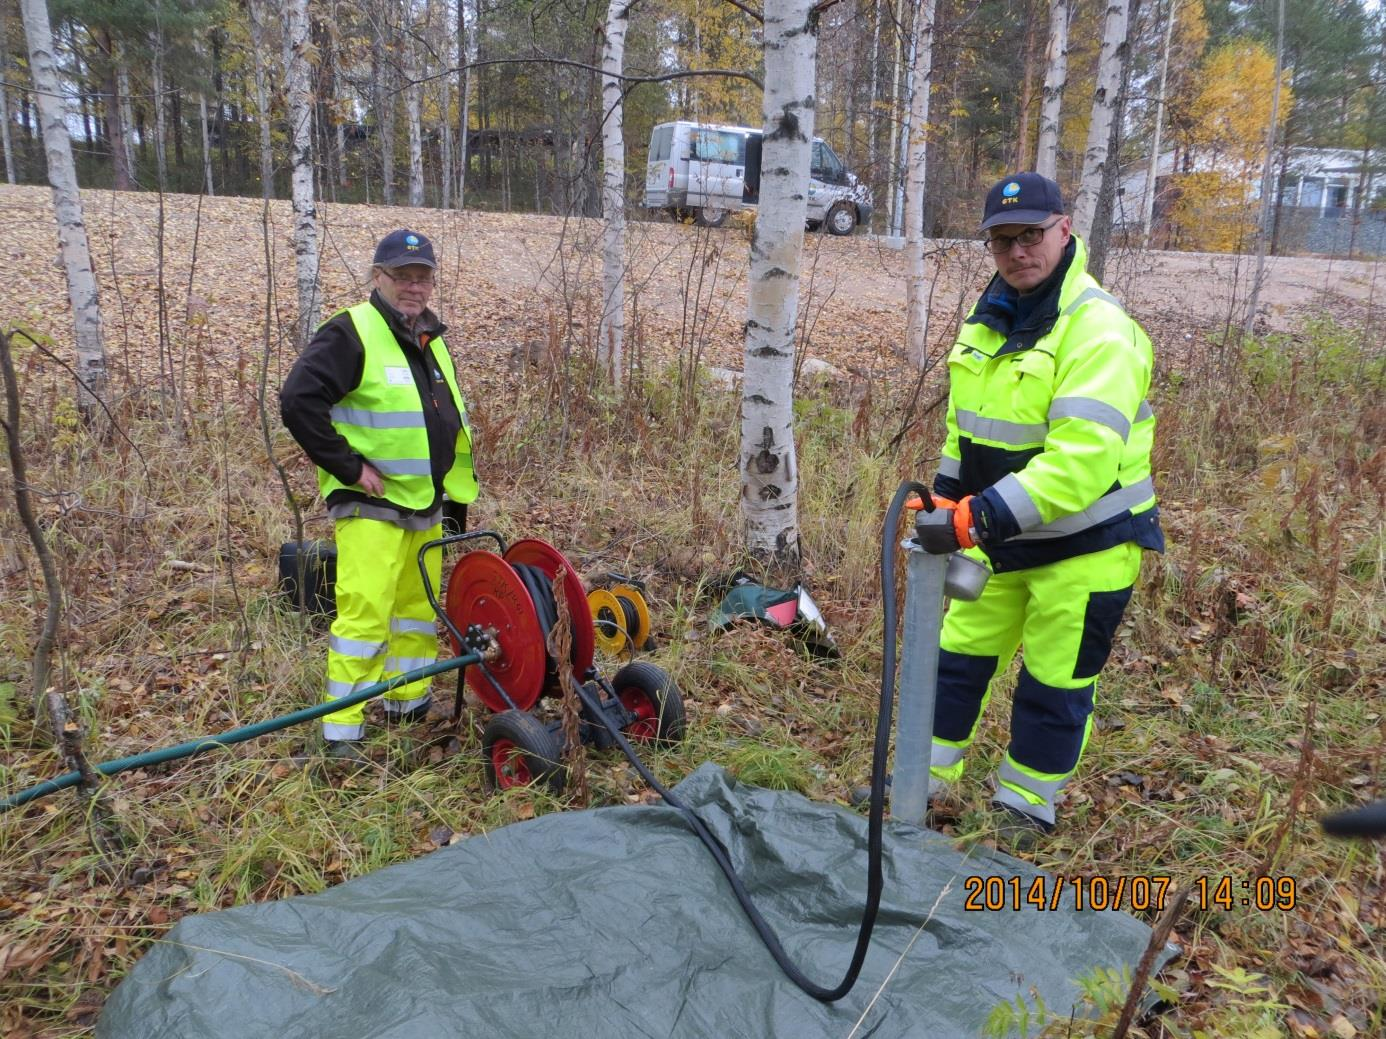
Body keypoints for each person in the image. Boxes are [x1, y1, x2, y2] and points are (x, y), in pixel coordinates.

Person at [912, 172, 1163, 845]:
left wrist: (978, 516)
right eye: (1002, 240)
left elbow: (1081, 462)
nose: (1018, 251)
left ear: (1064, 229)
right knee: (957, 659)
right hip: (999, 537)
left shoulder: (1100, 329)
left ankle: (1024, 806)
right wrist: (946, 495)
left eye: (1030, 235)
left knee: (1054, 685)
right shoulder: (990, 318)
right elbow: (965, 429)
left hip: (1086, 546)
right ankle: (922, 781)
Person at [280, 229, 477, 763]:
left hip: (424, 502)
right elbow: (298, 401)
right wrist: (347, 466)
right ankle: (341, 734)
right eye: (402, 276)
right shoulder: (352, 333)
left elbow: (443, 423)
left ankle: (407, 704)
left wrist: (452, 500)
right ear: (379, 277)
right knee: (366, 613)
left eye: (423, 277)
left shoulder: (429, 340)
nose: (414, 286)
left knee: (414, 610)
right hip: (372, 505)